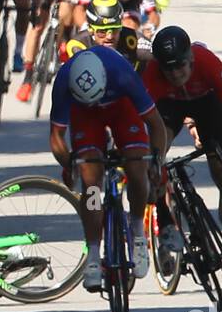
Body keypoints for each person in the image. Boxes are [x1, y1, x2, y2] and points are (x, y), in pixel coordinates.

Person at [49, 47, 170, 292]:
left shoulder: (122, 74)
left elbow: (156, 125)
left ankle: (137, 232)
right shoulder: (63, 79)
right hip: (83, 114)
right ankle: (93, 253)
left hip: (121, 107)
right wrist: (68, 163)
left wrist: (156, 160)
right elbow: (57, 137)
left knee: (137, 167)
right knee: (91, 184)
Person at [142, 26, 222, 290]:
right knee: (152, 158)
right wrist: (151, 159)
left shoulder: (208, 62)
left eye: (180, 66)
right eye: (167, 69)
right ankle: (165, 218)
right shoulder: (153, 76)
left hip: (208, 105)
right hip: (168, 108)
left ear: (191, 58)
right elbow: (144, 122)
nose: (175, 74)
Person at [64, 0, 145, 71]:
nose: (109, 36)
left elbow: (155, 53)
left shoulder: (132, 37)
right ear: (90, 29)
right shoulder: (78, 44)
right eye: (102, 32)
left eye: (114, 30)